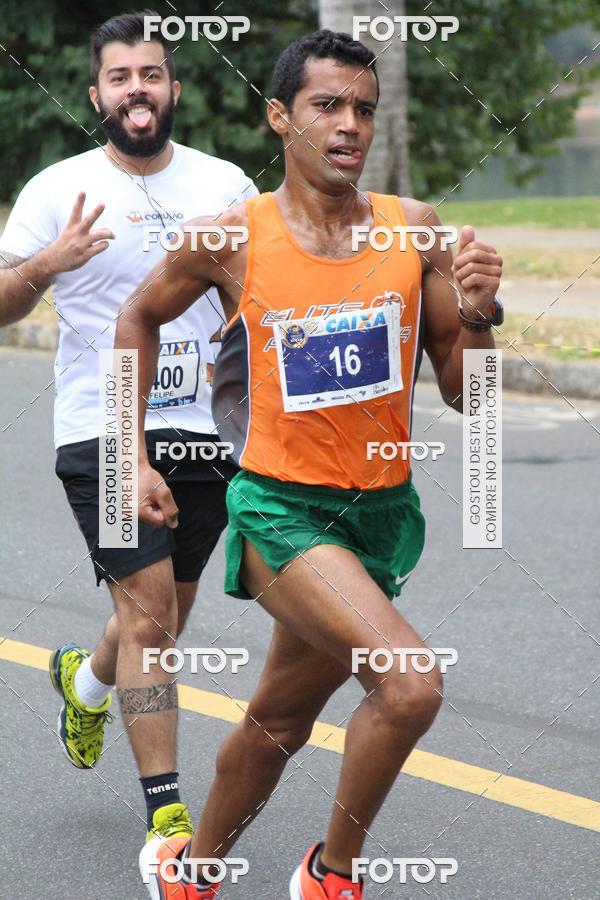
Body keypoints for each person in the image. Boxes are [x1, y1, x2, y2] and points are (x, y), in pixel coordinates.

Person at [115, 29, 503, 900]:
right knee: (410, 686)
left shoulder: (416, 231)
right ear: (279, 116)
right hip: (280, 511)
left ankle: (192, 868)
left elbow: (468, 396)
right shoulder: (231, 238)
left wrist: (479, 311)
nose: (349, 125)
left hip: (378, 517)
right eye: (327, 105)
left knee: (278, 723)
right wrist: (127, 452)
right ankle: (331, 876)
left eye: (364, 109)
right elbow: (136, 321)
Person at [0, 11, 256, 845]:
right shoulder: (57, 190)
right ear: (96, 93)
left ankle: (86, 684)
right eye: (120, 77)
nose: (137, 90)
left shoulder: (225, 185)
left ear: (173, 88)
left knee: (160, 616)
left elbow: (257, 297)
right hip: (103, 425)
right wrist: (47, 265)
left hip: (205, 430)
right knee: (149, 619)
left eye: (150, 74)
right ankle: (169, 822)